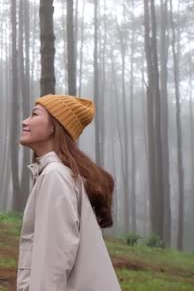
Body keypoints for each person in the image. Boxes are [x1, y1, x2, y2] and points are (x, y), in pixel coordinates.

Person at [17, 94, 121, 291]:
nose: (25, 121)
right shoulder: (57, 173)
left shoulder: (55, 175)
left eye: (34, 115)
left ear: (53, 126)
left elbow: (53, 259)